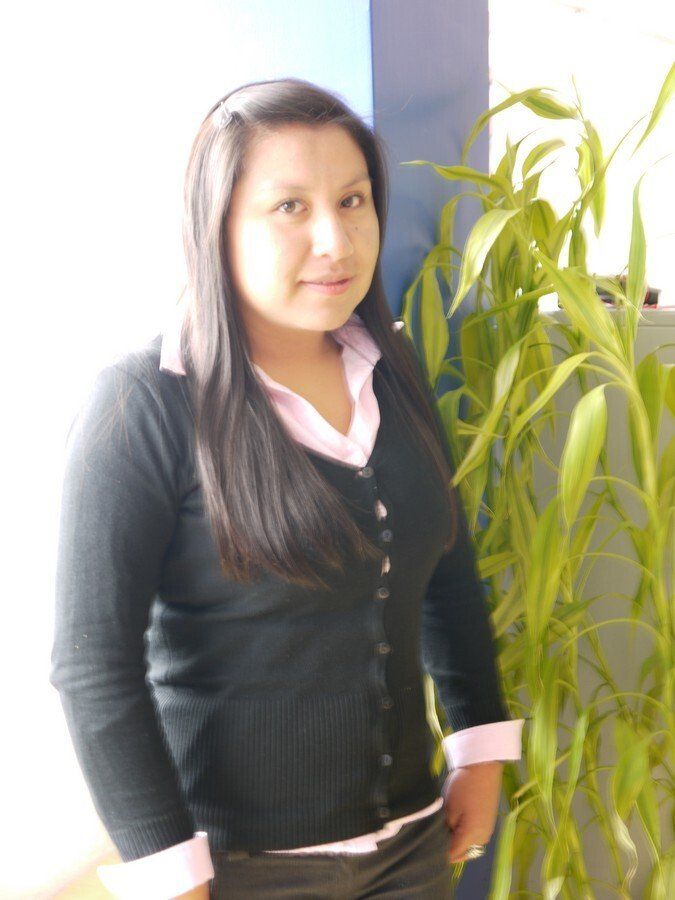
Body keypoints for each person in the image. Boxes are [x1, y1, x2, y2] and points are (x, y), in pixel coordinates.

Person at [49, 77, 524, 899]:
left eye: (352, 200)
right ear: (217, 226)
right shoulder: (144, 405)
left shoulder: (393, 371)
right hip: (234, 867)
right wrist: (169, 872)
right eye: (289, 208)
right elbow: (93, 665)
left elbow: (445, 568)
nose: (335, 241)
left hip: (413, 848)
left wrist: (479, 748)